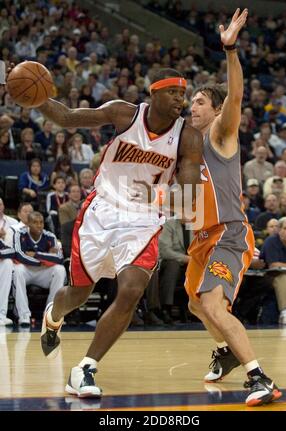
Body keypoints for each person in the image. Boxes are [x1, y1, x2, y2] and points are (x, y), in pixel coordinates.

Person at [21, 67, 202, 397]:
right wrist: (35, 98)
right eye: (174, 92)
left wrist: (158, 197)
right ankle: (53, 314)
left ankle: (85, 367)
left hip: (144, 219)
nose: (181, 99)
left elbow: (189, 197)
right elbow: (67, 117)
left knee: (132, 289)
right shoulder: (124, 113)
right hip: (101, 211)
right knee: (78, 294)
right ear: (154, 93)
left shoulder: (187, 136)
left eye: (183, 93)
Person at [187, 9, 282, 406]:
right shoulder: (188, 148)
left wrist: (230, 50)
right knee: (195, 304)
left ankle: (260, 378)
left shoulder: (220, 134)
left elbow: (237, 96)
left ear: (215, 110)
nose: (192, 106)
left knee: (212, 303)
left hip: (228, 233)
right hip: (201, 238)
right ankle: (226, 351)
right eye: (191, 100)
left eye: (200, 101)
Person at [13, 212, 66, 327]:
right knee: (17, 270)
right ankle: (24, 315)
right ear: (28, 224)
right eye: (35, 222)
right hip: (27, 271)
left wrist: (37, 255)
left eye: (41, 222)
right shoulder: (19, 234)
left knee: (60, 270)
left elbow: (59, 258)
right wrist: (46, 259)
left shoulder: (50, 236)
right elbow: (19, 255)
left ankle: (51, 314)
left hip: (43, 272)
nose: (39, 225)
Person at [260, 216, 286, 325]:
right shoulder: (271, 241)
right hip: (267, 277)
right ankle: (285, 313)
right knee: (282, 277)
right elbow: (274, 265)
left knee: (285, 277)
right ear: (279, 230)